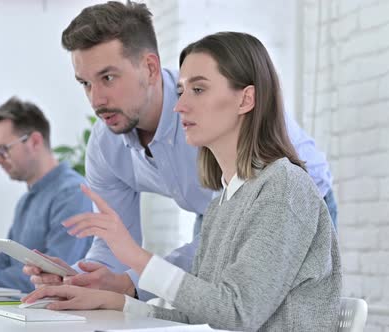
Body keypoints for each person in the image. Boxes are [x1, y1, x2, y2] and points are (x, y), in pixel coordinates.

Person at [23, 31, 342, 331]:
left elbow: (238, 313)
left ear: (245, 100)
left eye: (199, 90)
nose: (180, 106)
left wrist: (137, 258)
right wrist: (116, 301)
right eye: (180, 91)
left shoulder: (285, 186)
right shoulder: (221, 203)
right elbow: (198, 313)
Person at [0, 97, 93, 292]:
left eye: (3, 149)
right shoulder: (25, 202)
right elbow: (1, 265)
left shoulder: (71, 194)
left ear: (34, 141)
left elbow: (55, 276)